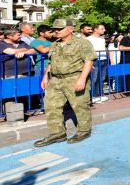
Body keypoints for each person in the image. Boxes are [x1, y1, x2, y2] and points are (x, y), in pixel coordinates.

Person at [34, 19, 96, 147]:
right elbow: (51, 62)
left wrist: (82, 79)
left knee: (79, 105)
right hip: (55, 79)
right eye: (55, 29)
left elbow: (89, 61)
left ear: (71, 29)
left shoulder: (82, 43)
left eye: (60, 29)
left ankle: (84, 130)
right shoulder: (55, 44)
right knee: (51, 106)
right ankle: (57, 133)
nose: (56, 31)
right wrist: (45, 76)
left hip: (74, 78)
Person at [86, 24, 108, 103]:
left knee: (101, 79)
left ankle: (100, 95)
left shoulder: (102, 39)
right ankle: (93, 96)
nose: (104, 30)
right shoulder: (88, 39)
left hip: (103, 59)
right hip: (94, 60)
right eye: (102, 29)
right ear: (95, 29)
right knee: (93, 79)